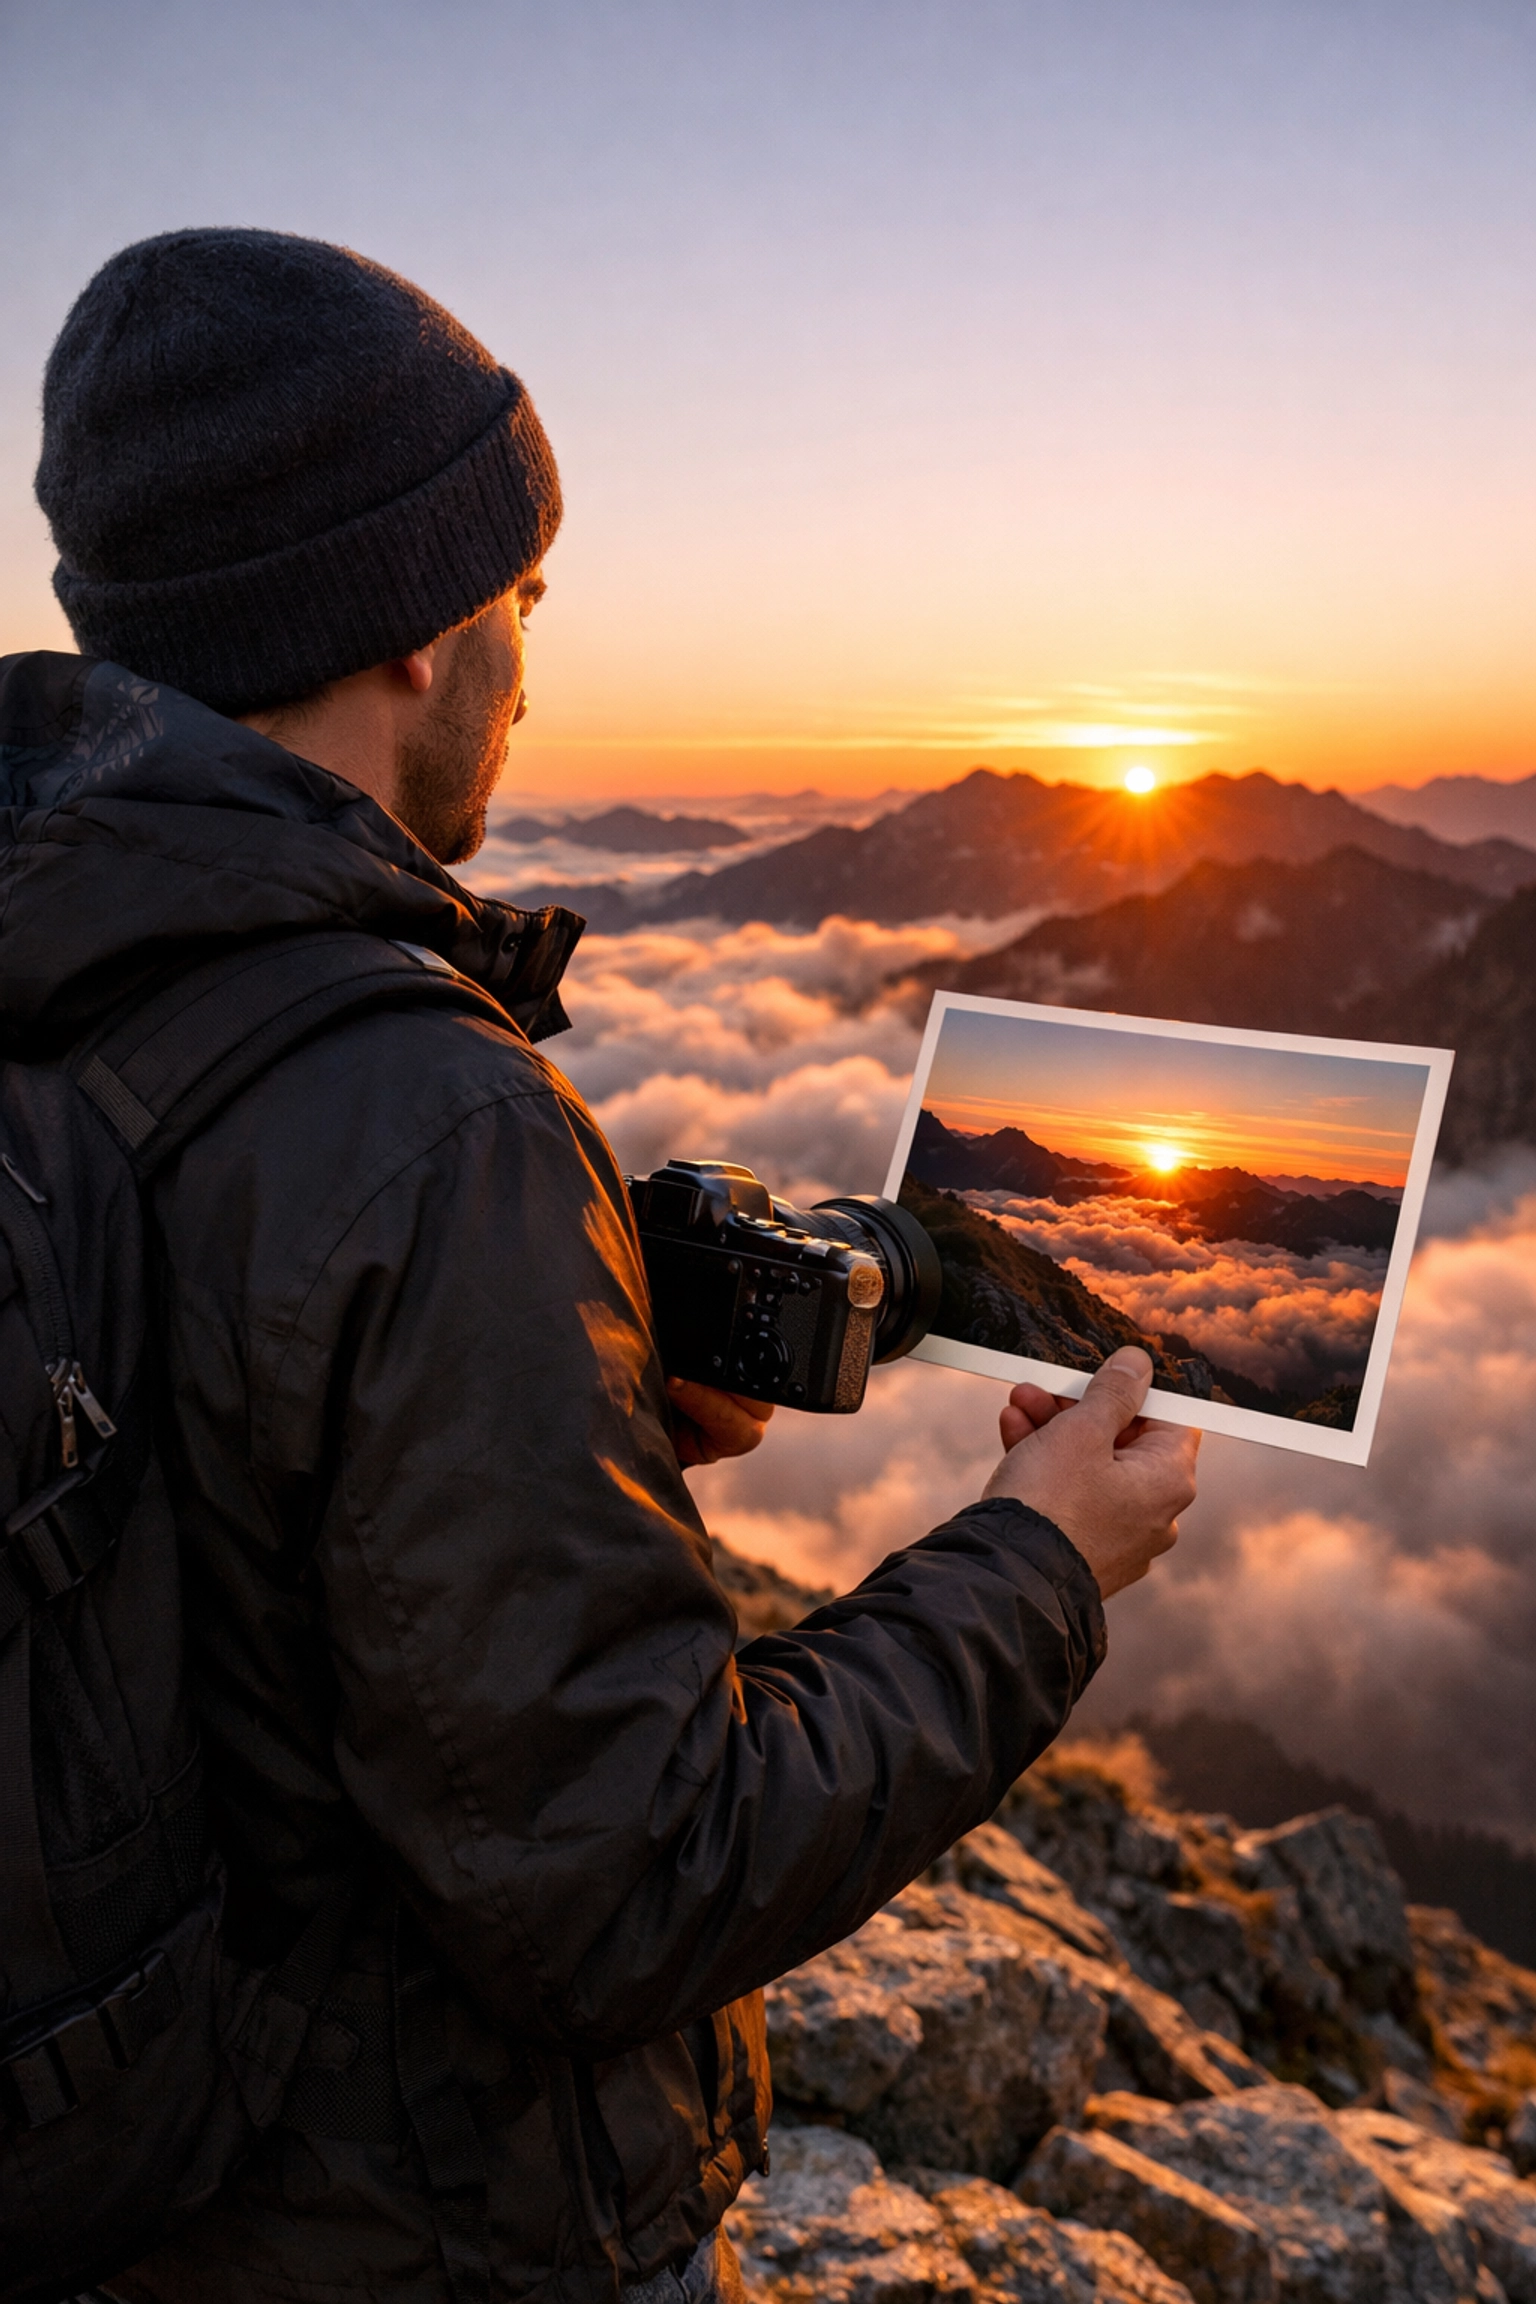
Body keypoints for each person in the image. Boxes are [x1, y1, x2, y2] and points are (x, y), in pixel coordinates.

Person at [4, 229, 1198, 2304]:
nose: (534, 665)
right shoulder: (418, 1113)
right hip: (401, 2226)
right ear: (404, 625)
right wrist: (1037, 1560)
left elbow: (179, 1484)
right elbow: (631, 1871)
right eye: (522, 597)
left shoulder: (66, 954)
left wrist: (562, 1370)